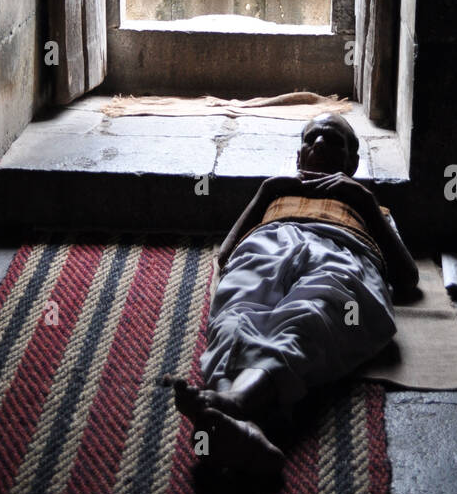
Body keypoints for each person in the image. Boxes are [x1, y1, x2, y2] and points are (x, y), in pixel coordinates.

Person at [165, 112, 419, 474]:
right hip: (271, 242)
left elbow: (407, 277)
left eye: (332, 140)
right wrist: (265, 191)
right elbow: (226, 256)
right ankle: (242, 425)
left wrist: (362, 199)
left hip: (341, 251)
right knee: (238, 309)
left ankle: (232, 403)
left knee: (313, 310)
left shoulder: (369, 205)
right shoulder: (276, 193)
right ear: (299, 155)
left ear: (352, 162)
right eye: (311, 138)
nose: (318, 144)